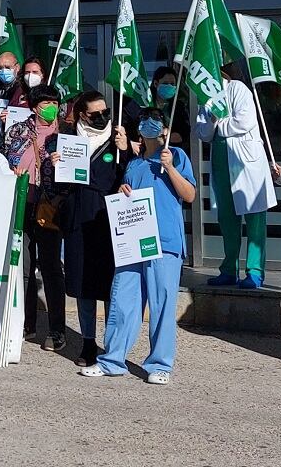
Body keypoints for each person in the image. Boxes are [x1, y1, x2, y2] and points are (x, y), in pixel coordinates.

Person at [83, 110, 195, 383]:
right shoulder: (134, 164)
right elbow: (128, 195)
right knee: (123, 301)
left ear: (165, 129)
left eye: (155, 121)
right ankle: (112, 360)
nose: (148, 126)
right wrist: (123, 191)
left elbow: (189, 194)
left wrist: (169, 168)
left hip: (165, 242)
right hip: (134, 240)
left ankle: (160, 365)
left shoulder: (177, 156)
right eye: (144, 121)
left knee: (162, 305)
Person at [49, 90, 125, 365]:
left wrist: (126, 149)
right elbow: (59, 185)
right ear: (83, 114)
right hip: (79, 217)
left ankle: (113, 345)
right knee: (83, 285)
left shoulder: (117, 143)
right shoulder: (68, 140)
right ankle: (88, 342)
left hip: (107, 218)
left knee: (108, 285)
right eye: (96, 113)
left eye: (106, 111)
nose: (103, 117)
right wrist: (57, 165)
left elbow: (128, 177)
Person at [195, 60, 281, 288]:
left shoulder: (238, 89)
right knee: (227, 219)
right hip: (222, 160)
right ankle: (228, 269)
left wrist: (218, 125)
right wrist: (213, 121)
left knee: (254, 219)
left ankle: (254, 271)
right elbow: (202, 133)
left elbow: (244, 122)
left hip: (246, 162)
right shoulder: (205, 97)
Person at [8, 88, 66, 349]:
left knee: (52, 268)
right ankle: (27, 323)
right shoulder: (18, 131)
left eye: (55, 102)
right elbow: (4, 157)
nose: (51, 107)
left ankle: (57, 330)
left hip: (50, 207)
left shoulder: (65, 134)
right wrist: (11, 168)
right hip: (23, 204)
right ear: (34, 107)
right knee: (25, 267)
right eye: (46, 103)